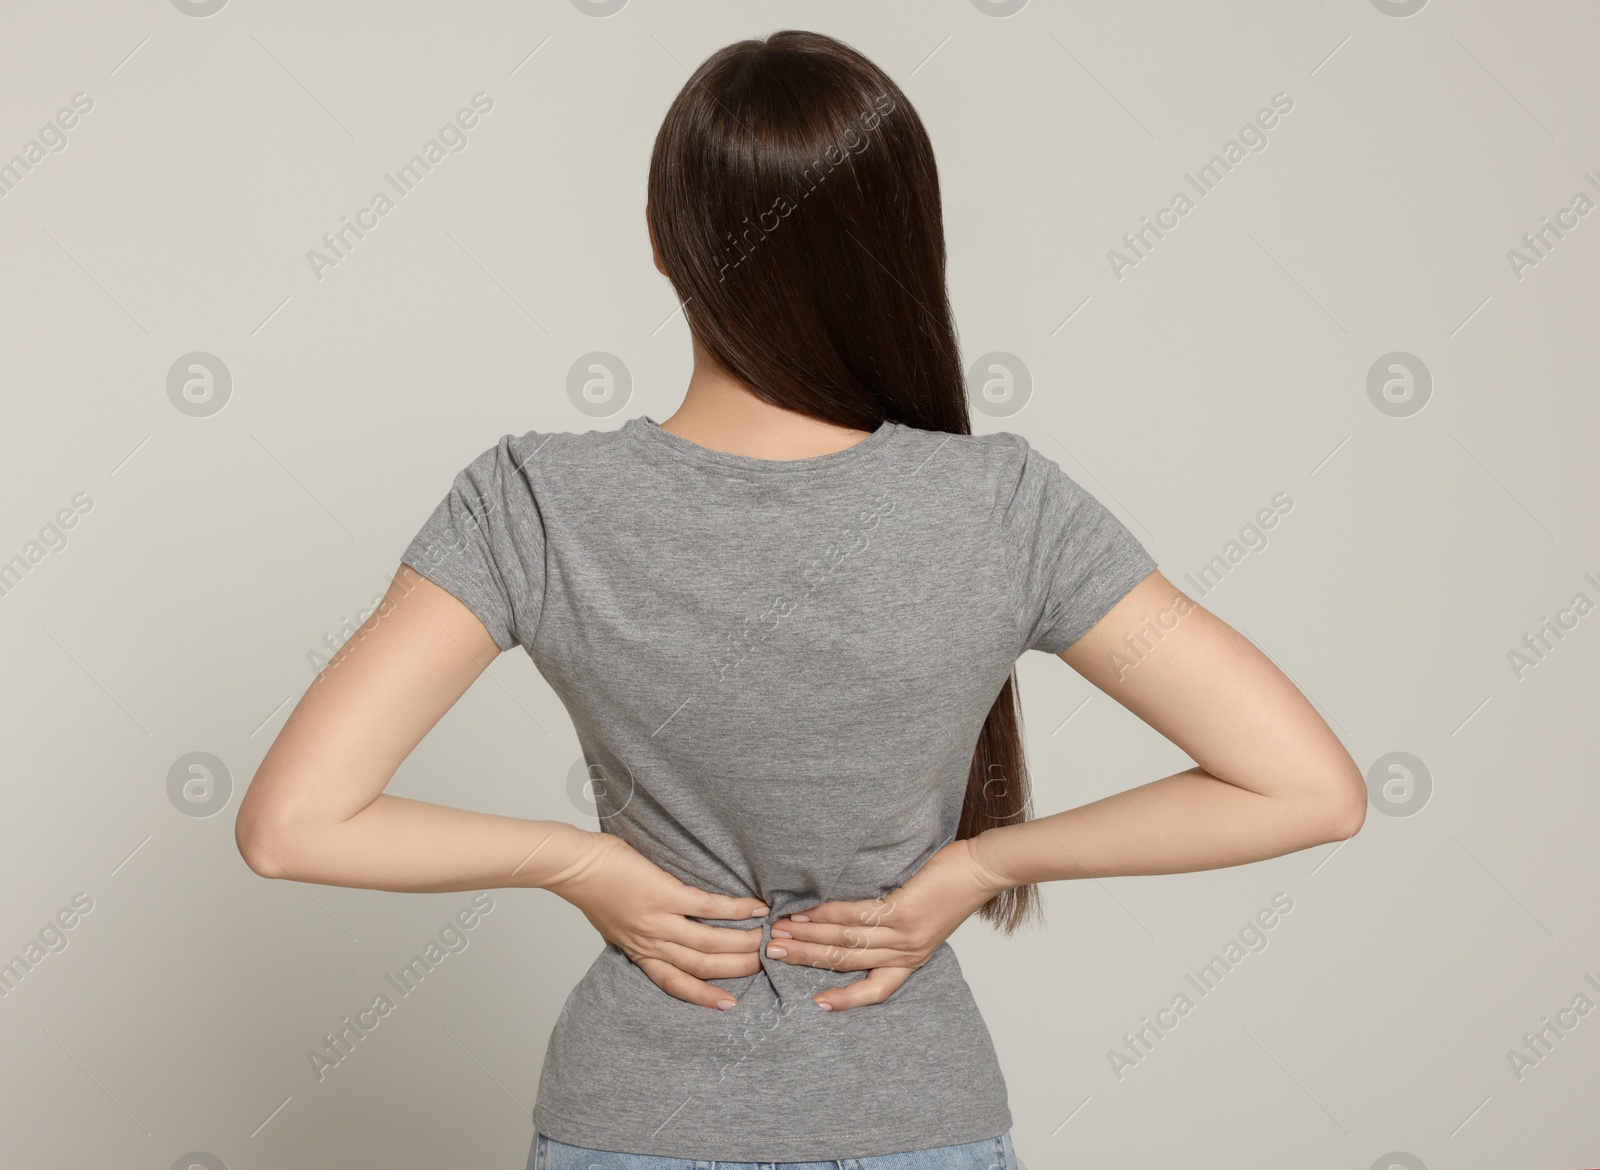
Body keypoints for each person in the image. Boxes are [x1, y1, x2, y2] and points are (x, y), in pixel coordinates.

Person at [234, 29, 1367, 1170]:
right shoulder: (1002, 507)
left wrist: (578, 865)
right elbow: (1307, 788)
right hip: (912, 1118)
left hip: (634, 1122)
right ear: (903, 243)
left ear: (660, 242)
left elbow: (291, 825)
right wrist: (982, 866)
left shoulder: (535, 500)